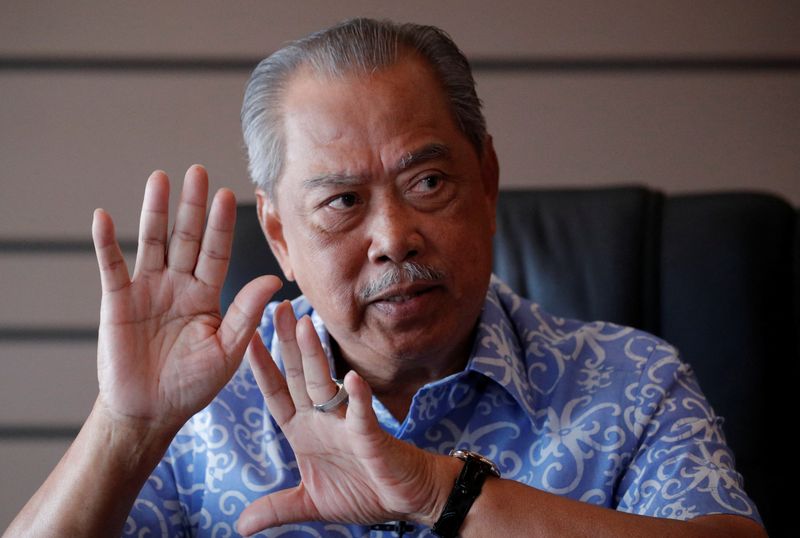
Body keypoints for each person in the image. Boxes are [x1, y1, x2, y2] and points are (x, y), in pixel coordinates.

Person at [6, 18, 766, 538]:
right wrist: (126, 429)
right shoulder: (206, 408)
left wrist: (448, 495)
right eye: (341, 201)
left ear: (489, 181)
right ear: (279, 235)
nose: (394, 236)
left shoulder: (632, 382)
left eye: (429, 183)